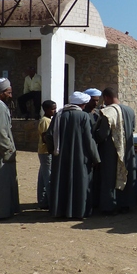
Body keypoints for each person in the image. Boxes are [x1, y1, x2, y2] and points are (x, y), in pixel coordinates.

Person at [45, 91, 101, 219]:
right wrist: (96, 158)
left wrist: (53, 151)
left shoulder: (59, 115)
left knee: (61, 182)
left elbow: (49, 135)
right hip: (80, 157)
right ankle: (79, 212)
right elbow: (89, 139)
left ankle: (59, 211)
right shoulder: (83, 116)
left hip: (60, 157)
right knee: (80, 182)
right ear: (82, 104)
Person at [93, 87, 136, 214]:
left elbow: (103, 134)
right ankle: (126, 204)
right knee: (126, 176)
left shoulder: (108, 112)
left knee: (109, 178)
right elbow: (132, 129)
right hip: (127, 150)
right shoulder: (130, 110)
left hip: (110, 152)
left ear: (106, 97)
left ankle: (109, 207)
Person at [0, 78, 20, 219]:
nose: (10, 96)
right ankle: (2, 212)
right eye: (8, 92)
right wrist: (7, 150)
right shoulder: (0, 107)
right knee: (2, 182)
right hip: (0, 153)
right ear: (0, 93)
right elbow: (0, 132)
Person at [36, 100, 56, 209]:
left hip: (44, 152)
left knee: (43, 177)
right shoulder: (45, 121)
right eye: (53, 109)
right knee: (49, 178)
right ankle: (53, 203)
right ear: (46, 110)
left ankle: (43, 201)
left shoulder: (48, 120)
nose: (55, 111)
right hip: (46, 152)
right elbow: (45, 138)